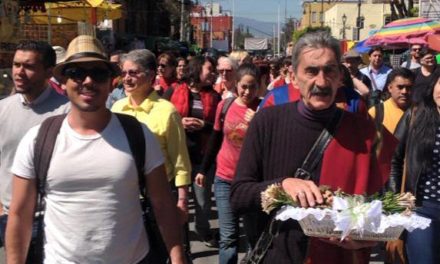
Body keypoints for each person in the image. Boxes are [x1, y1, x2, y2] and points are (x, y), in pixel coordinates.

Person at [6, 35, 186, 264]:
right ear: (63, 82)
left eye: (98, 73)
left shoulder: (138, 135)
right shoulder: (38, 140)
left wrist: (178, 257)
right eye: (77, 74)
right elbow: (20, 216)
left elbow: (162, 204)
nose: (88, 81)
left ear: (111, 80)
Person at [230, 31, 392, 264]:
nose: (322, 81)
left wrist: (367, 235)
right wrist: (282, 185)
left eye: (329, 70)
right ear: (294, 77)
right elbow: (238, 196)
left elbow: (382, 204)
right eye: (311, 71)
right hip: (280, 257)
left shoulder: (362, 129)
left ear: (340, 77)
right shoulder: (266, 122)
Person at [0, 40, 70, 250]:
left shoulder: (67, 113)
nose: (19, 72)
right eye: (16, 64)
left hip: (49, 219)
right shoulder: (3, 108)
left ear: (49, 72)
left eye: (29, 66)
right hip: (6, 215)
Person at [111, 48, 191, 227]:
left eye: (133, 73)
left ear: (150, 76)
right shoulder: (116, 108)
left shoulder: (167, 111)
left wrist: (182, 199)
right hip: (125, 195)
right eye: (124, 73)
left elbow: (179, 159)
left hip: (159, 194)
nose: (127, 78)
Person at [196, 63, 261, 264]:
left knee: (254, 238)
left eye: (252, 87)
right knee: (228, 238)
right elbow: (215, 139)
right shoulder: (225, 106)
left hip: (252, 182)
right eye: (243, 86)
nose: (247, 92)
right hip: (224, 179)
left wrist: (258, 123)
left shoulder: (263, 110)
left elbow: (269, 145)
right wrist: (204, 170)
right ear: (236, 85)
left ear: (258, 86)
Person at [163, 56, 221, 247]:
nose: (213, 73)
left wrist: (203, 125)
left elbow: (218, 128)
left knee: (202, 203)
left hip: (201, 158)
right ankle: (179, 238)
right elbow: (162, 117)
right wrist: (180, 122)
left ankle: (203, 230)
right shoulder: (173, 91)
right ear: (197, 70)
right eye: (209, 69)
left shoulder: (214, 96)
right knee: (177, 202)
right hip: (177, 157)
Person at [389, 69, 440, 264]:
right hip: (421, 208)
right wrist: (397, 201)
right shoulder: (416, 115)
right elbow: (394, 159)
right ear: (433, 85)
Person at [368, 67, 414, 134]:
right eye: (400, 87)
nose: (404, 91)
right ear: (390, 88)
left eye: (409, 87)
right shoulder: (376, 112)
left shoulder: (419, 111)